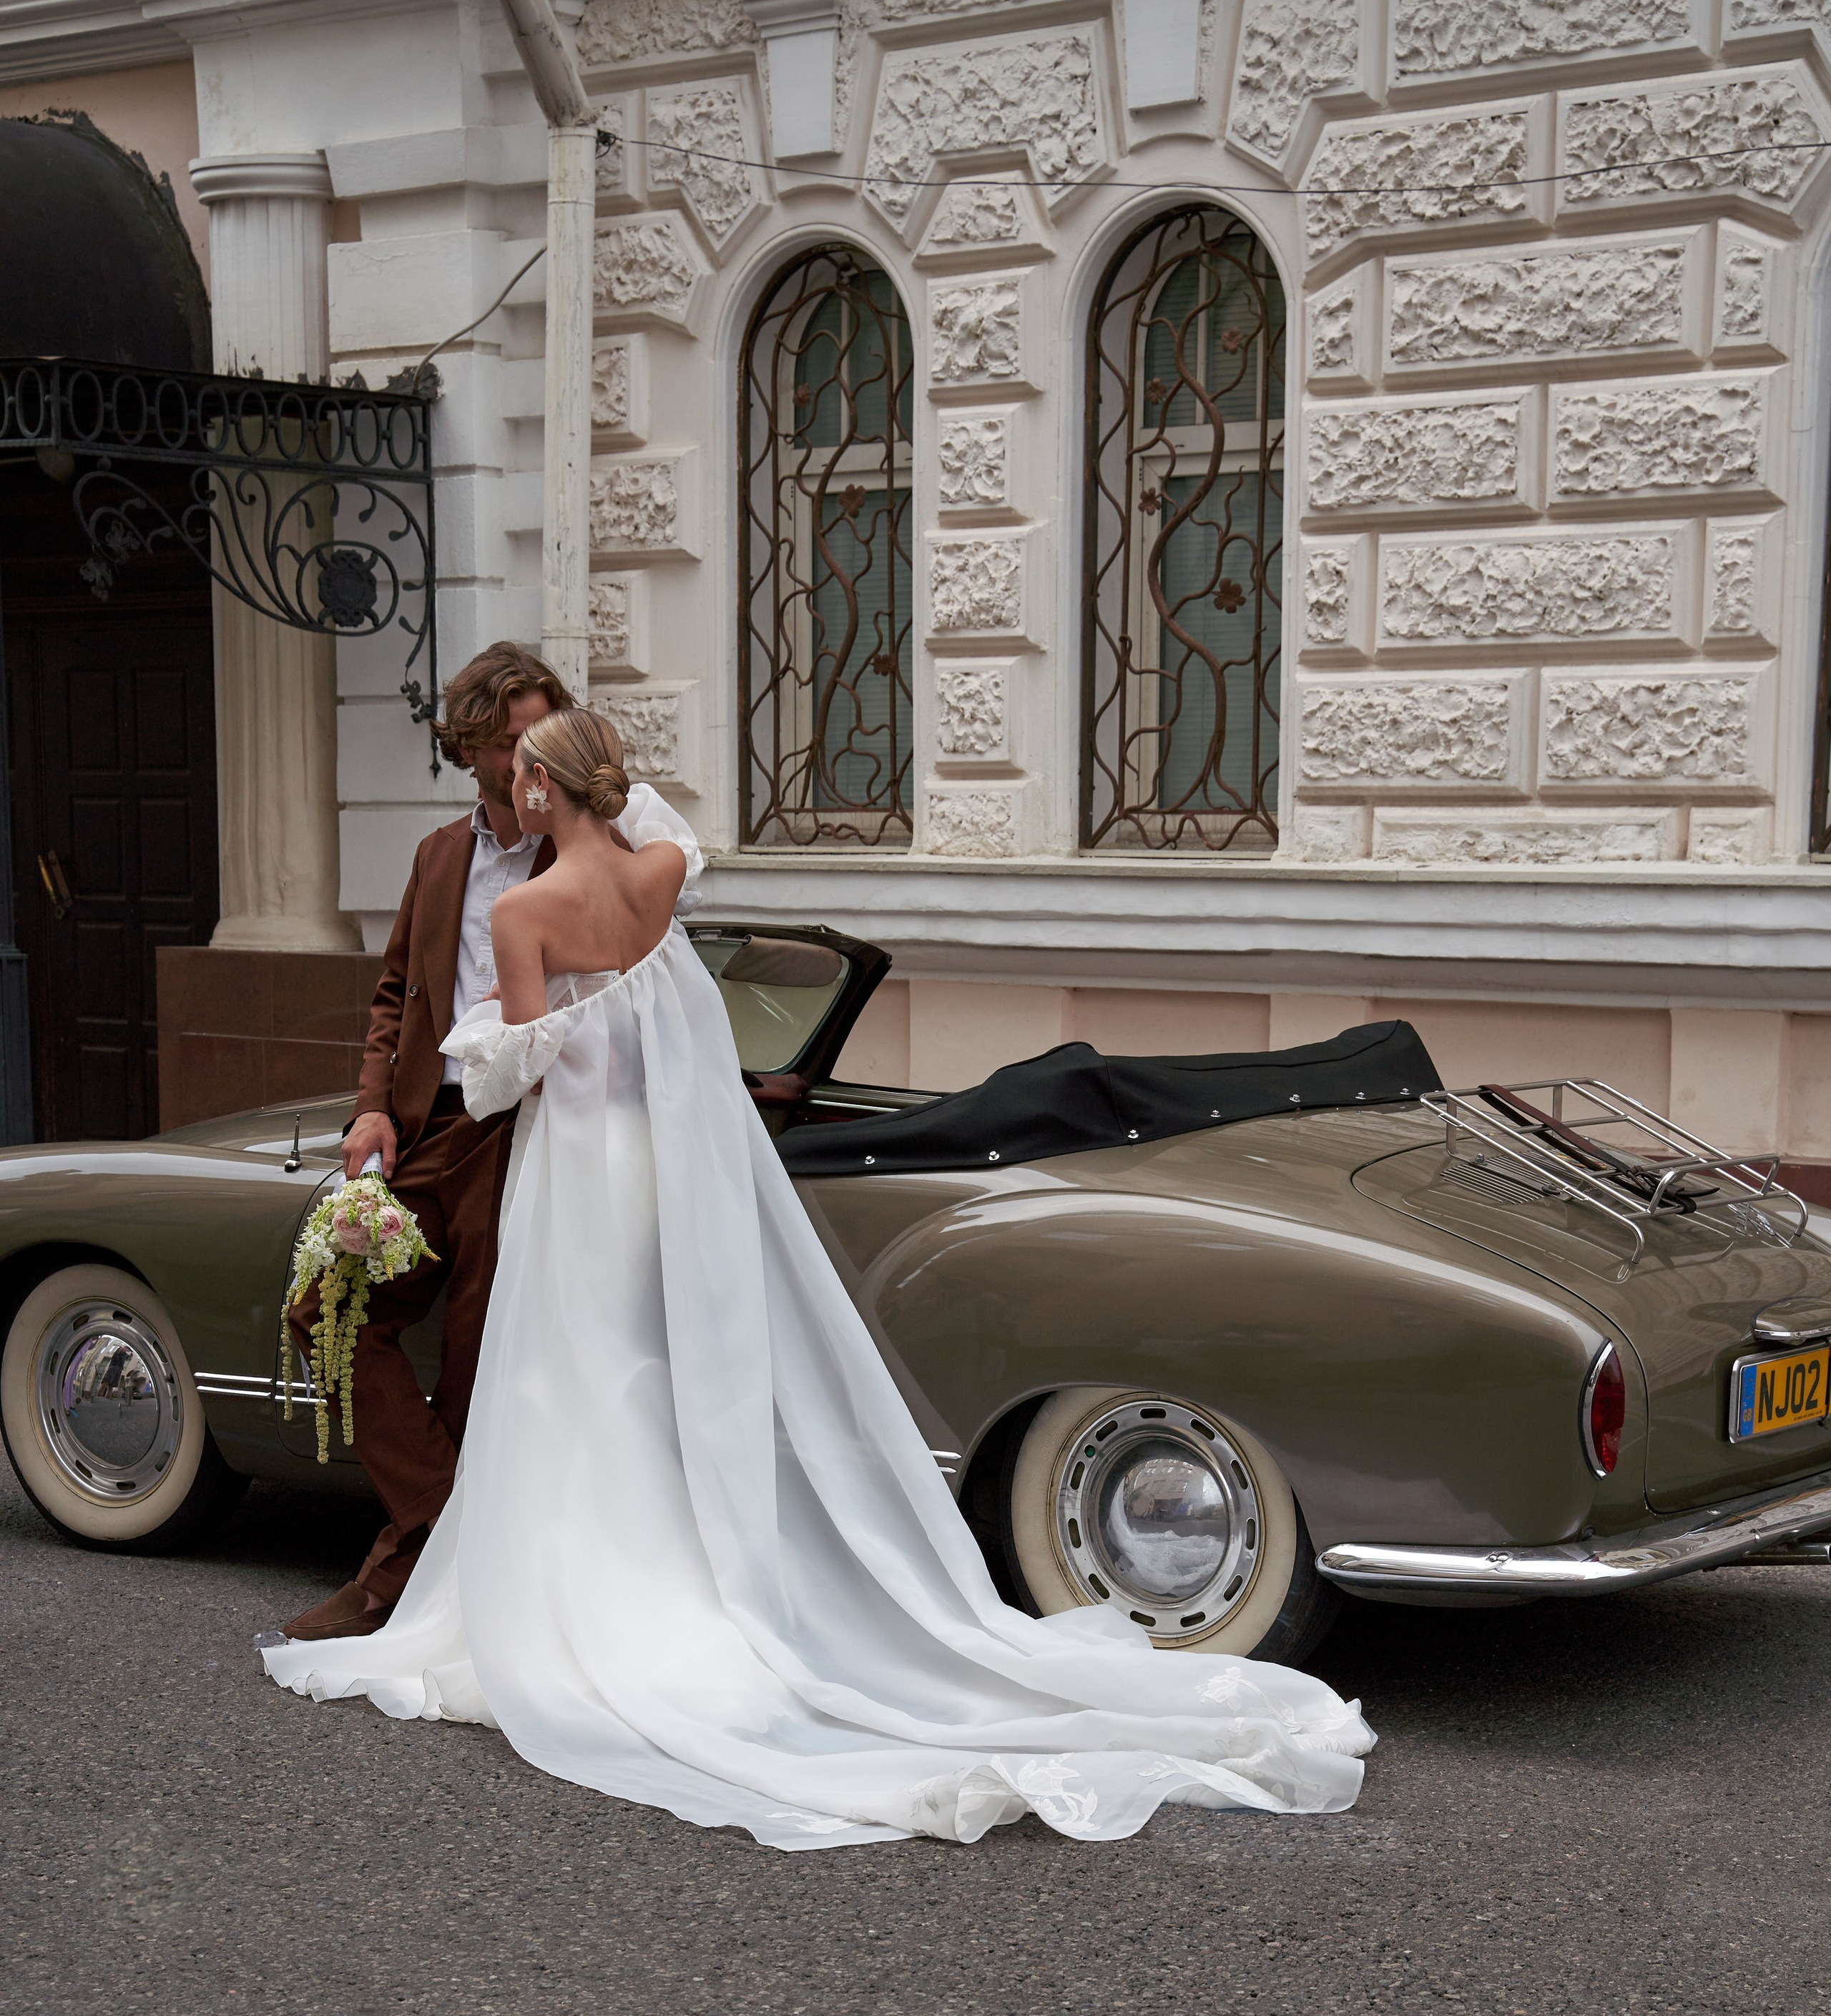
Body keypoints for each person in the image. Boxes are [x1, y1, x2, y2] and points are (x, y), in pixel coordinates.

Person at [262, 708, 1373, 1851]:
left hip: (580, 1169)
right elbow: (667, 858)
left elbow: (515, 1077)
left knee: (575, 1363)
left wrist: (485, 1042)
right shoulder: (657, 872)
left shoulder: (523, 909)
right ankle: (694, 1567)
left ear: (543, 790)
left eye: (526, 780)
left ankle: (595, 1590)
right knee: (658, 1353)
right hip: (661, 1161)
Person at [275, 644, 702, 1646]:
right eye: (510, 741)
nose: (528, 759)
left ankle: (404, 1580)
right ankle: (437, 1534)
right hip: (431, 1128)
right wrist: (371, 1108)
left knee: (480, 1364)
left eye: (541, 738)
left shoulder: (590, 848)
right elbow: (396, 999)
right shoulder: (437, 856)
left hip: (532, 1132)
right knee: (325, 1311)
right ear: (469, 745)